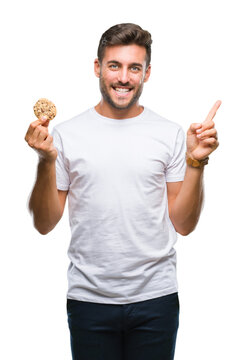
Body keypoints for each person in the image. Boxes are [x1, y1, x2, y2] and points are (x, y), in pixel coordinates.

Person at [25, 23, 221, 360]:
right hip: (89, 300)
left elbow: (184, 225)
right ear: (98, 68)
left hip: (156, 299)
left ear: (147, 74)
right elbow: (44, 223)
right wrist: (45, 160)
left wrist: (195, 163)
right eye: (115, 65)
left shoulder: (169, 133)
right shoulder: (66, 135)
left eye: (135, 67)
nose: (124, 77)